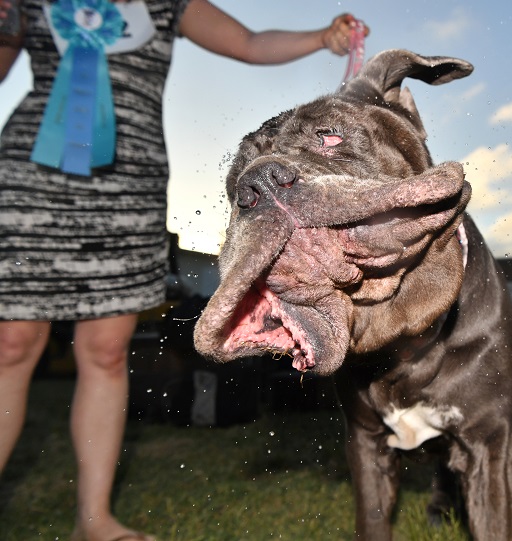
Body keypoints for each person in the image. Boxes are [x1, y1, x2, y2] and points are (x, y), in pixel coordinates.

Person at [0, 1, 369, 540]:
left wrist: (323, 36)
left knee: (105, 349)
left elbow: (249, 43)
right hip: (34, 172)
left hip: (129, 180)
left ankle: (94, 521)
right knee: (11, 345)